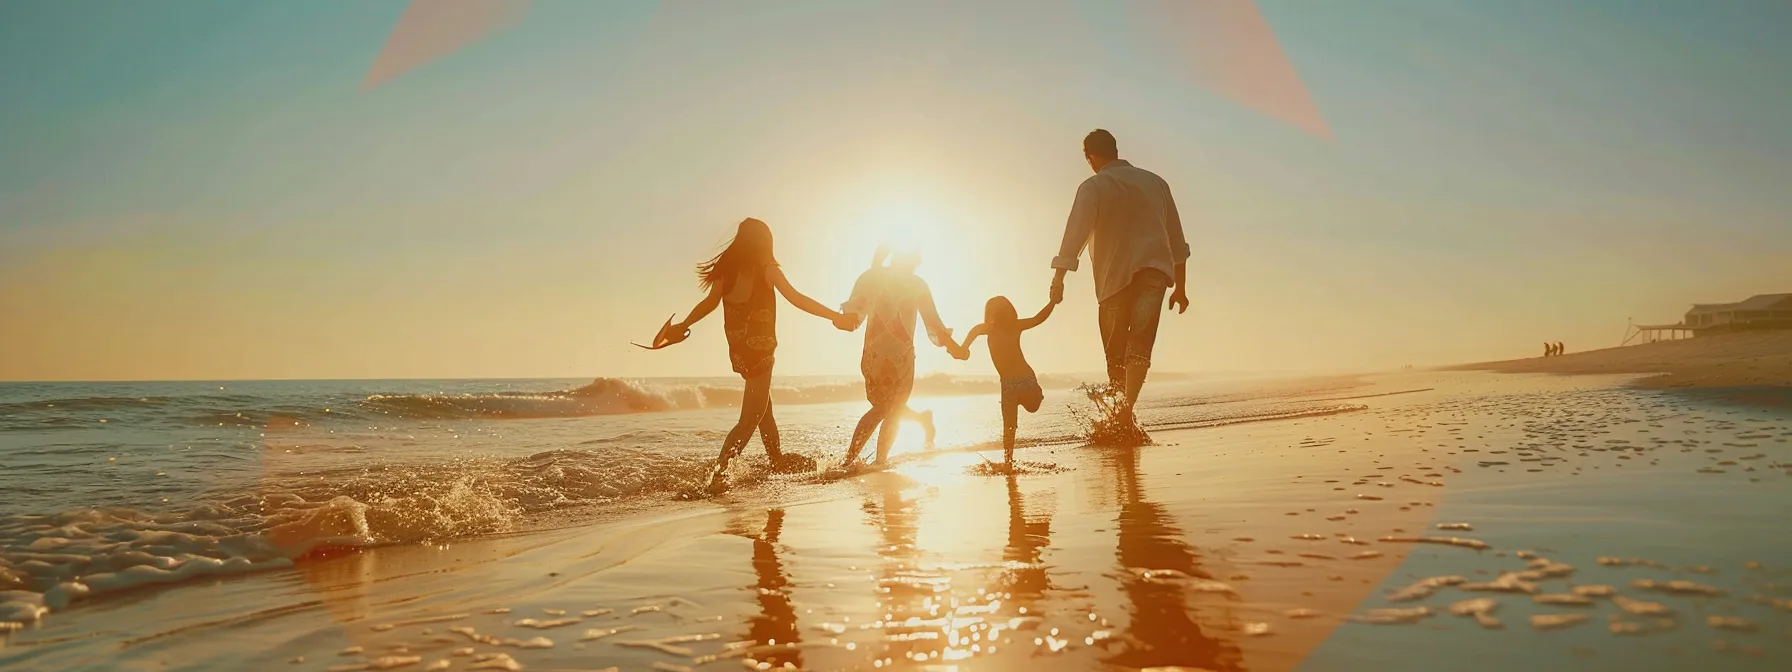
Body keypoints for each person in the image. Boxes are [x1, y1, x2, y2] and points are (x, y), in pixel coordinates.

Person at [663, 218, 855, 492]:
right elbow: (796, 298)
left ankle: (776, 459)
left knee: (764, 406)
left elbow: (709, 304)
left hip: (739, 352)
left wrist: (683, 325)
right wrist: (836, 317)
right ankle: (719, 475)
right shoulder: (768, 269)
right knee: (749, 419)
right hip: (761, 349)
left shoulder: (726, 272)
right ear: (765, 242)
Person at [1049, 129, 1190, 429]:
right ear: (1115, 149)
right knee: (1140, 345)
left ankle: (1120, 415)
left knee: (1115, 355)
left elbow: (1074, 234)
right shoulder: (1157, 183)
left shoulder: (1093, 186)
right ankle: (1125, 411)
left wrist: (1058, 279)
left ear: (1091, 157)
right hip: (1155, 272)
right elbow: (1177, 240)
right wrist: (1182, 287)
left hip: (1113, 278)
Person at [838, 247, 954, 467]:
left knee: (889, 408)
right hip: (888, 358)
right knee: (887, 408)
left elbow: (933, 322)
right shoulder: (896, 280)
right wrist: (955, 348)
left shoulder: (881, 277)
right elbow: (857, 310)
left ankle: (867, 460)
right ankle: (859, 460)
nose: (913, 265)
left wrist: (954, 347)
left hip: (894, 357)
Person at [949, 295, 1056, 469]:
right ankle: (1008, 461)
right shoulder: (987, 328)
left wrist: (1052, 303)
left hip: (1023, 380)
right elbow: (962, 351)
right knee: (1010, 425)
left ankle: (1008, 460)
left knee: (1027, 411)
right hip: (1010, 384)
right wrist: (954, 349)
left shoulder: (1010, 326)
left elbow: (1038, 319)